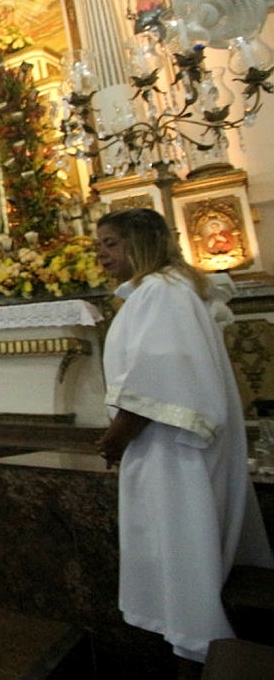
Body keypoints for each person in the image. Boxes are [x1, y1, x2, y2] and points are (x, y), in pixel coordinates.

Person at [94, 208, 273, 672]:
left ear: (141, 242)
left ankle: (200, 651)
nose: (102, 254)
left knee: (184, 555)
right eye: (100, 245)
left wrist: (116, 437)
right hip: (165, 445)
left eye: (111, 243)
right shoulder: (166, 290)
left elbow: (157, 377)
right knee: (181, 554)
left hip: (172, 449)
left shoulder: (162, 291)